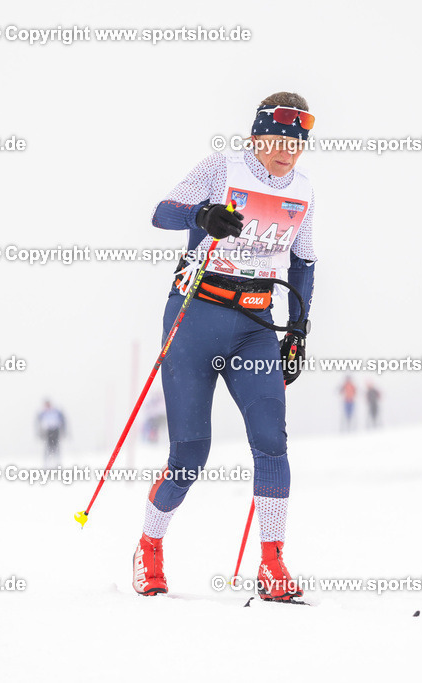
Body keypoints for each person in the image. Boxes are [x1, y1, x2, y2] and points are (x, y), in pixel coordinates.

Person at [132, 92, 318, 602]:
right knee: (191, 454)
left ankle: (273, 563)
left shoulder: (302, 189)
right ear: (258, 134)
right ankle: (149, 546)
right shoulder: (222, 166)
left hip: (255, 324)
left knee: (271, 441)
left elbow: (303, 262)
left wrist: (298, 330)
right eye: (279, 140)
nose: (287, 152)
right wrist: (204, 215)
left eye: (297, 143)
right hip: (194, 316)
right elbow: (162, 214)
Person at [36, 400, 67, 465]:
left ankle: (57, 462)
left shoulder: (56, 411)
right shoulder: (43, 412)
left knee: (56, 446)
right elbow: (39, 422)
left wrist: (63, 430)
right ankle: (47, 463)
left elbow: (62, 420)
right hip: (48, 431)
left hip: (55, 430)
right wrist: (40, 432)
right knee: (48, 447)